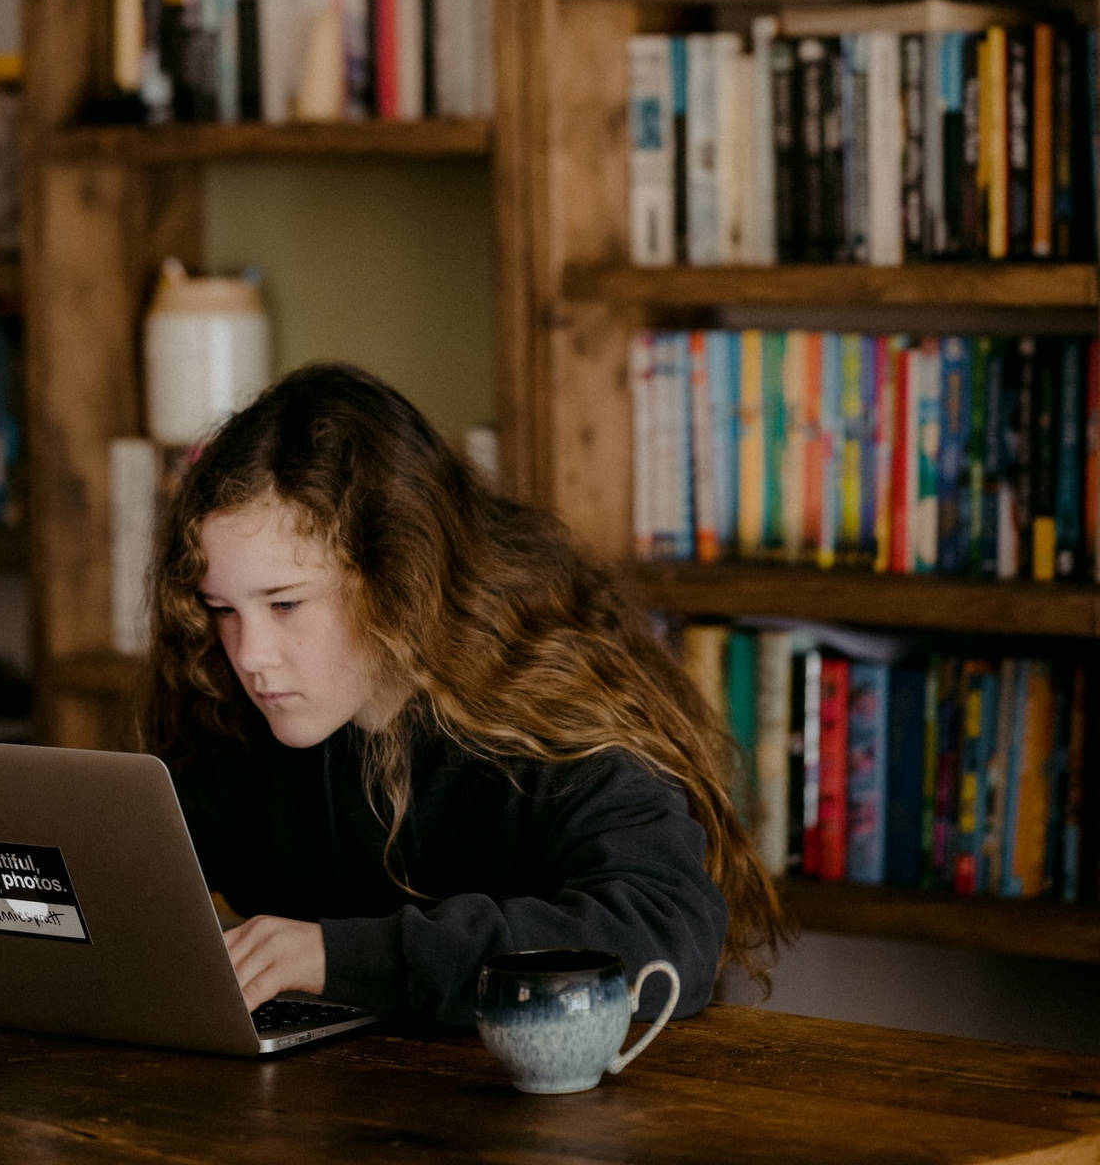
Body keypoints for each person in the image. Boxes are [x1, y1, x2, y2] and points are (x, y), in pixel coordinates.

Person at [142, 361, 782, 1028]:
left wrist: (335, 957)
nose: (249, 654)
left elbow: (666, 937)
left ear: (396, 574)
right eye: (222, 608)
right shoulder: (234, 708)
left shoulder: (550, 703)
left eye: (286, 604)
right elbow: (136, 881)